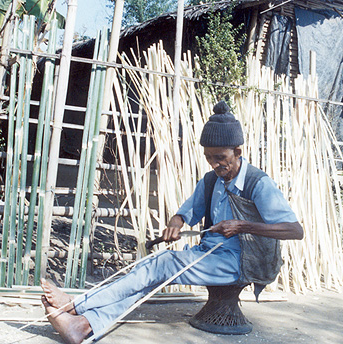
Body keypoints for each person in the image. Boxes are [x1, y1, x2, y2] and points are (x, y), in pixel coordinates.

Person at [41, 100, 303, 344]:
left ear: (237, 151)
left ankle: (77, 306)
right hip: (208, 255)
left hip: (242, 261)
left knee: (162, 264)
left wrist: (241, 225)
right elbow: (186, 213)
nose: (214, 163)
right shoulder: (212, 180)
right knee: (152, 273)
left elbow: (295, 230)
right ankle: (84, 326)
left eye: (220, 157)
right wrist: (175, 222)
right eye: (209, 157)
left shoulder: (258, 183)